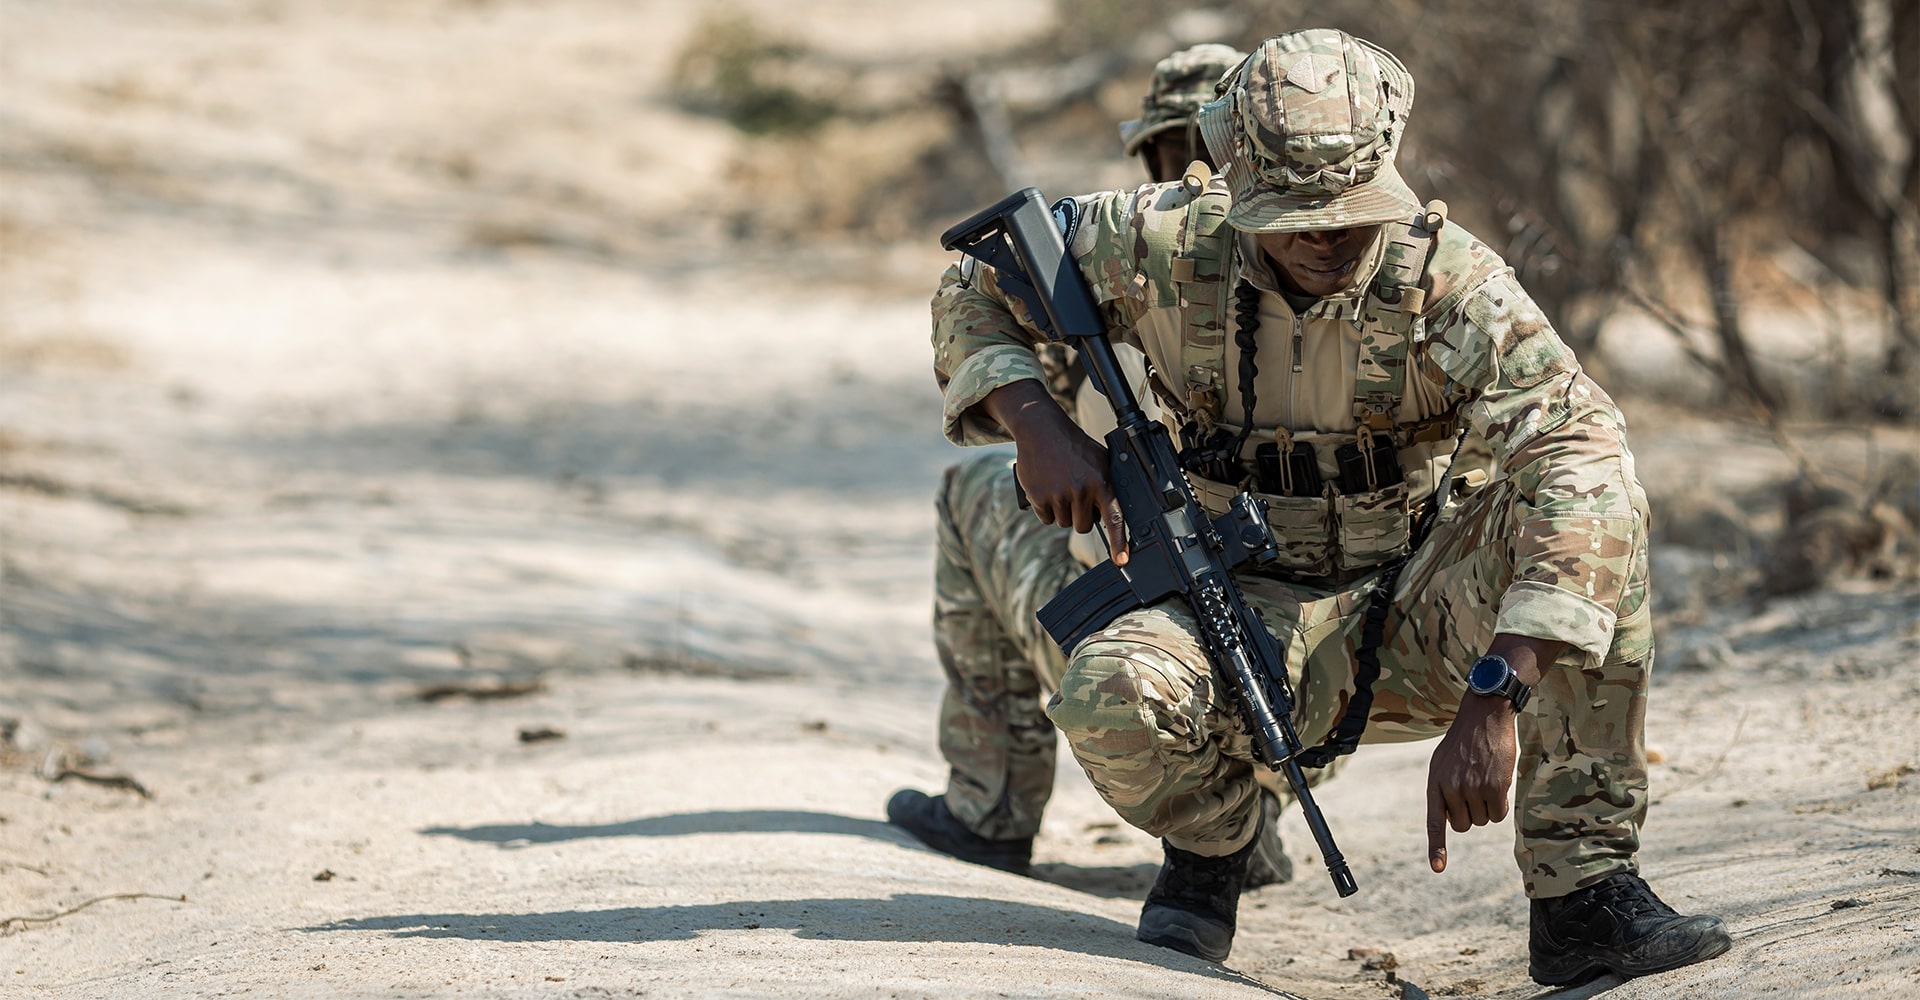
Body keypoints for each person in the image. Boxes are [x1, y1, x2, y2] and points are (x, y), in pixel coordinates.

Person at [890, 27, 1732, 987]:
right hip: (1227, 605)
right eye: (1295, 214)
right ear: (1237, 182)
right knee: (1107, 695)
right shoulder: (1157, 244)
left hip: (1417, 607)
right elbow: (974, 282)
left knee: (1595, 526)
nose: (1329, 237)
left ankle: (1586, 896)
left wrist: (1503, 687)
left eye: (1353, 210)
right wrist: (1035, 420)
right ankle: (1215, 847)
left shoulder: (1450, 282)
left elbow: (1579, 446)